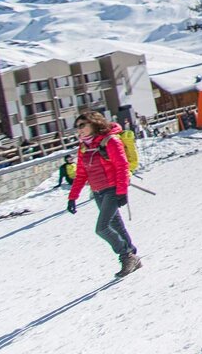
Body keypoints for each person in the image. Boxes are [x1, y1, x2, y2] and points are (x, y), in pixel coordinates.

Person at [66, 111, 141, 278]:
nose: (79, 130)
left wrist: (121, 192)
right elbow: (81, 174)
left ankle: (126, 255)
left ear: (94, 123)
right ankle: (132, 257)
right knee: (116, 226)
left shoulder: (111, 141)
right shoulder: (84, 147)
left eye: (82, 125)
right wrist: (72, 197)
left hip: (112, 189)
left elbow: (122, 166)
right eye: (77, 127)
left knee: (102, 228)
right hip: (98, 191)